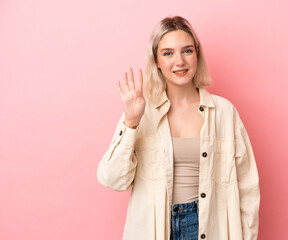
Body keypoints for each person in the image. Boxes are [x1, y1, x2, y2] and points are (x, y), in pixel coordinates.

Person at [97, 16, 260, 240]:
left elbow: (248, 189)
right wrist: (131, 122)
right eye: (168, 53)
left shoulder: (224, 112)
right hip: (156, 229)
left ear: (197, 54)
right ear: (156, 60)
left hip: (210, 226)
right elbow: (113, 179)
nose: (179, 61)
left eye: (187, 51)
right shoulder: (141, 111)